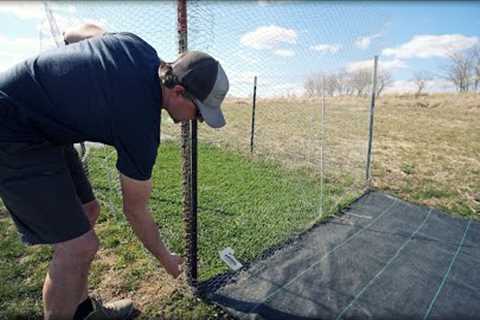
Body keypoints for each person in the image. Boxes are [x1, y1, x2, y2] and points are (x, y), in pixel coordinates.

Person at [0, 23, 229, 320]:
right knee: (78, 246)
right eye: (199, 112)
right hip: (12, 130)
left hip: (42, 128)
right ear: (178, 91)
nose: (195, 121)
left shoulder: (139, 48)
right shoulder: (140, 124)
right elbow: (135, 210)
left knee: (89, 211)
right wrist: (167, 259)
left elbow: (72, 34)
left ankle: (82, 313)